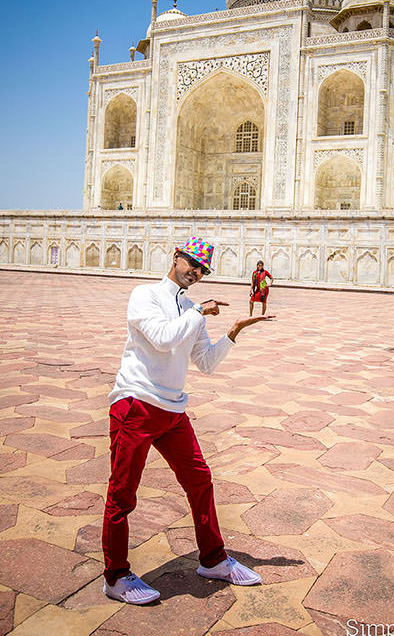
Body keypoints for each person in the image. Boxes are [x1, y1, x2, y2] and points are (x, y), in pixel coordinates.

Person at [102, 238, 275, 604]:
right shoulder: (145, 295)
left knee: (200, 480)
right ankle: (116, 576)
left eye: (203, 270)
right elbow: (164, 339)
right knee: (123, 494)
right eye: (192, 264)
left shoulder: (191, 309)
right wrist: (199, 313)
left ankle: (213, 559)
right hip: (137, 404)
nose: (196, 272)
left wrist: (233, 332)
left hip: (172, 410)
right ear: (176, 258)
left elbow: (206, 363)